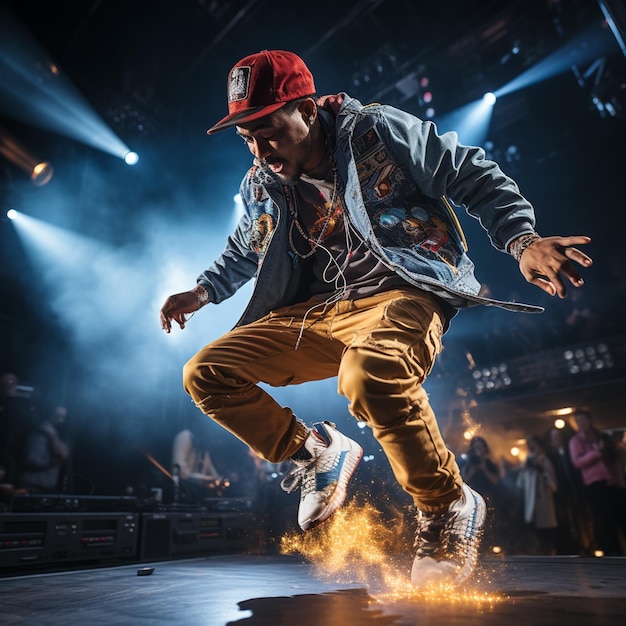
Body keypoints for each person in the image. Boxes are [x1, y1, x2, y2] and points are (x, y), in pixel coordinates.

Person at [159, 50, 592, 586]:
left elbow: (469, 172)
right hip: (319, 312)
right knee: (205, 372)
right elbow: (246, 249)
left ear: (308, 111)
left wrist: (522, 239)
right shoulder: (261, 183)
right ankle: (315, 451)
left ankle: (446, 506)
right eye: (246, 137)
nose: (259, 150)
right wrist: (201, 292)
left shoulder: (377, 131)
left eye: (268, 131)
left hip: (400, 296)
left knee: (368, 375)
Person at [569, 409, 626, 555]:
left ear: (589, 419)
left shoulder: (601, 436)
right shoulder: (576, 441)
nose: (581, 422)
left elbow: (615, 457)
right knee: (605, 520)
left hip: (613, 482)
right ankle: (614, 554)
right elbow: (577, 462)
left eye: (583, 419)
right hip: (595, 483)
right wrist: (596, 452)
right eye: (578, 420)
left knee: (622, 516)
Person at [516, 434, 559, 554]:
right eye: (530, 446)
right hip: (531, 506)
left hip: (543, 504)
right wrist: (524, 469)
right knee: (534, 534)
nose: (531, 448)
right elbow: (520, 484)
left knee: (546, 533)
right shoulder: (528, 462)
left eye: (533, 446)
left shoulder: (545, 461)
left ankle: (551, 553)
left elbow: (554, 486)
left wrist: (542, 471)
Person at [17, 404, 70, 494]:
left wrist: (53, 436)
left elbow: (63, 455)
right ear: (50, 414)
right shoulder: (39, 433)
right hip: (31, 486)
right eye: (58, 416)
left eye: (63, 417)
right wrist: (53, 462)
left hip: (47, 487)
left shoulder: (56, 433)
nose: (61, 420)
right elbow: (32, 460)